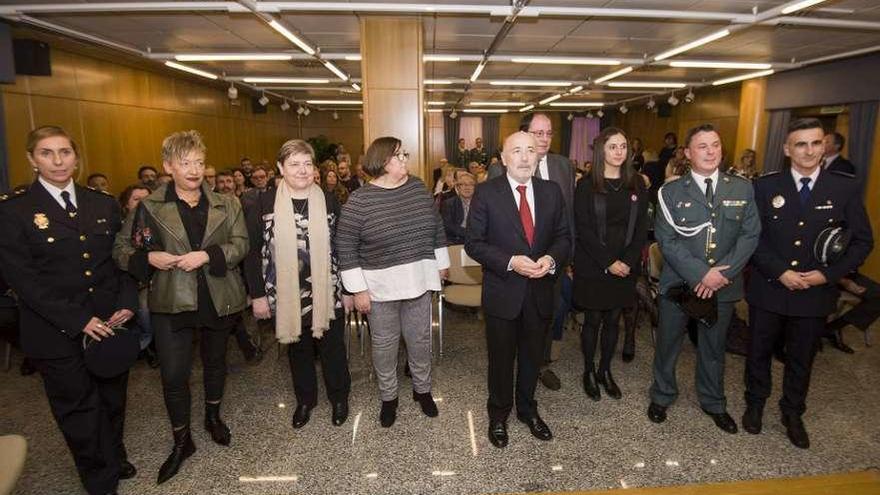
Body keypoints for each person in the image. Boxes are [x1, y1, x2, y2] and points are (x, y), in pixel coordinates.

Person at [0, 125, 138, 495]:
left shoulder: (102, 203)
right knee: (77, 408)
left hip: (109, 322)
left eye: (65, 152)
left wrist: (127, 302)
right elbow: (24, 281)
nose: (58, 160)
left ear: (77, 158)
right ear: (32, 159)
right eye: (47, 153)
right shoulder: (15, 211)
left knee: (112, 397)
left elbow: (120, 261)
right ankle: (99, 477)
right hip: (55, 330)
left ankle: (114, 452)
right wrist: (79, 320)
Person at [113, 130, 249, 484]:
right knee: (174, 375)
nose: (193, 170)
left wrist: (208, 254)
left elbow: (240, 244)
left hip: (218, 298)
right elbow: (121, 249)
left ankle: (213, 417)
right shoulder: (148, 206)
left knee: (216, 364)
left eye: (199, 163)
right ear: (168, 166)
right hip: (171, 301)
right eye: (185, 163)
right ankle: (181, 439)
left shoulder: (226, 202)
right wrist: (149, 257)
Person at [744, 118, 873, 449]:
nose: (809, 150)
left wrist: (827, 275)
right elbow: (752, 238)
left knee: (802, 357)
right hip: (770, 287)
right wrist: (780, 271)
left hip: (814, 292)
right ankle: (755, 404)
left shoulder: (843, 187)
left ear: (825, 146)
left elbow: (862, 242)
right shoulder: (766, 186)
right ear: (787, 149)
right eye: (801, 144)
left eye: (816, 143)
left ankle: (792, 412)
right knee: (758, 352)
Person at [648, 123, 760, 434]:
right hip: (680, 285)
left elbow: (751, 235)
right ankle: (662, 395)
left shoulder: (741, 188)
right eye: (702, 146)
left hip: (723, 285)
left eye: (715, 145)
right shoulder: (670, 192)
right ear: (687, 153)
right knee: (668, 344)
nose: (711, 152)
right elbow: (666, 239)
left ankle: (713, 402)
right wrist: (702, 274)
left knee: (713, 348)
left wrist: (719, 274)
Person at [465, 131, 570, 448]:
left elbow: (564, 236)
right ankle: (498, 415)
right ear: (504, 158)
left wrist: (550, 260)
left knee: (532, 358)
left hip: (541, 291)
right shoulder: (486, 193)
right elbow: (474, 243)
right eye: (517, 151)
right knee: (500, 360)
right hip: (503, 292)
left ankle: (527, 409)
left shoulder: (552, 192)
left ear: (539, 156)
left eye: (530, 150)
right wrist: (511, 261)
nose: (525, 157)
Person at [336, 136, 449, 428]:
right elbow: (346, 246)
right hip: (379, 288)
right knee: (384, 346)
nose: (405, 160)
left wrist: (442, 264)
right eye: (400, 156)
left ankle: (422, 391)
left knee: (420, 340)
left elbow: (435, 225)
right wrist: (357, 289)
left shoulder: (417, 187)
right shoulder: (360, 201)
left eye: (404, 154)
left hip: (419, 281)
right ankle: (389, 398)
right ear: (383, 161)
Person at [244, 139, 352, 430]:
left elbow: (343, 247)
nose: (302, 171)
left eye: (307, 163)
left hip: (328, 290)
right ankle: (305, 400)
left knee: (333, 348)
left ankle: (339, 398)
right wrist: (257, 295)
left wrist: (351, 289)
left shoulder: (329, 199)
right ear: (280, 167)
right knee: (298, 349)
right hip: (285, 293)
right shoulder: (262, 203)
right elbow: (252, 252)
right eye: (294, 164)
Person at [572, 127, 649, 401]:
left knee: (614, 320)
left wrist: (626, 261)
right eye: (613, 146)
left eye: (623, 146)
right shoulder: (585, 185)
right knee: (593, 320)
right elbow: (582, 229)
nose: (619, 152)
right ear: (601, 150)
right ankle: (589, 370)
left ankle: (606, 370)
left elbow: (642, 228)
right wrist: (608, 262)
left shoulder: (637, 183)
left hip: (625, 265)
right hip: (594, 263)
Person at [519, 112, 575, 392]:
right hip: (518, 263)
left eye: (548, 133)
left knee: (549, 313)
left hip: (553, 260)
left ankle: (541, 364)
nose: (543, 138)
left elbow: (569, 217)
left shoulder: (563, 165)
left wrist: (566, 258)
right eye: (537, 132)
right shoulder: (505, 166)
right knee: (517, 316)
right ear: (525, 133)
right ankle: (517, 363)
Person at [118, 184, 158, 368]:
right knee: (143, 310)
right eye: (137, 200)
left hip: (155, 279)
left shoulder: (154, 226)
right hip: (128, 280)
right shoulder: (119, 228)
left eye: (147, 200)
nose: (143, 204)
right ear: (126, 205)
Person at [441, 171, 476, 245]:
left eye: (471, 184)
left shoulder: (481, 204)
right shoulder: (449, 204)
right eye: (463, 184)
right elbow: (448, 226)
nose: (467, 187)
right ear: (458, 187)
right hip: (456, 241)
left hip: (477, 241)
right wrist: (469, 234)